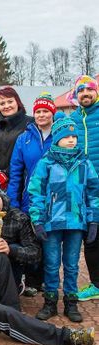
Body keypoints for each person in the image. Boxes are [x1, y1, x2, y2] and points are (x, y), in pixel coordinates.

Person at [28, 113, 99, 323]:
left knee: (71, 264)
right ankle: (50, 301)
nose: (72, 140)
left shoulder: (84, 164)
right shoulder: (46, 163)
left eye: (75, 137)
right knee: (51, 263)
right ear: (57, 137)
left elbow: (93, 192)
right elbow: (36, 192)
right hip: (52, 223)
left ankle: (71, 302)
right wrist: (37, 220)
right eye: (67, 136)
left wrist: (93, 218)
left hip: (76, 223)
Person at [69, 75, 99, 302]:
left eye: (89, 91)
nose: (85, 95)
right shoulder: (74, 120)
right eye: (81, 92)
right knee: (91, 236)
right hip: (83, 187)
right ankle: (96, 283)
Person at [7, 92, 55, 214]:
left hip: (57, 201)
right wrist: (13, 204)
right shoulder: (23, 139)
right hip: (30, 201)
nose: (41, 115)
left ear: (52, 113)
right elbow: (15, 174)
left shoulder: (61, 137)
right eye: (38, 112)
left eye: (46, 111)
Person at [0, 86, 33, 190]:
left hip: (21, 181)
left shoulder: (30, 123)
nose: (7, 106)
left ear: (17, 102)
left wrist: (7, 173)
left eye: (10, 101)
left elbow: (29, 153)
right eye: (2, 103)